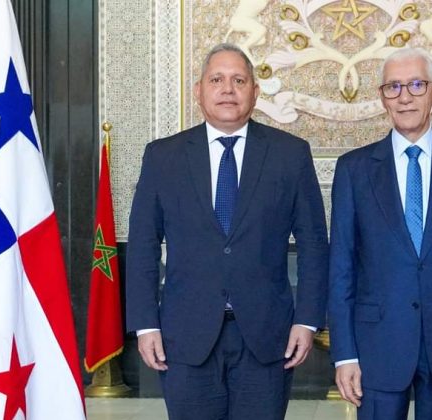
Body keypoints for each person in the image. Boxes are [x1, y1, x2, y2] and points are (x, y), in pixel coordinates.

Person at [125, 43, 328, 419]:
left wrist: (307, 320)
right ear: (198, 90)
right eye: (216, 79)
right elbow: (142, 245)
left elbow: (314, 244)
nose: (227, 89)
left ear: (255, 91)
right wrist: (145, 324)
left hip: (268, 338)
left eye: (239, 80)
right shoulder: (163, 156)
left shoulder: (290, 154)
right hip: (185, 337)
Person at [327, 47, 432, 420]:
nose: (404, 97)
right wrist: (344, 354)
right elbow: (341, 269)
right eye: (393, 87)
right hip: (377, 346)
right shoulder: (354, 169)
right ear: (382, 97)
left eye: (416, 85)